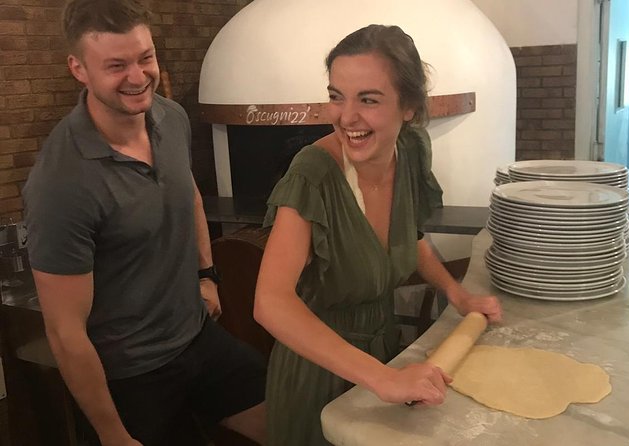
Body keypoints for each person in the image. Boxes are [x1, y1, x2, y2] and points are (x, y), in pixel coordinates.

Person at [22, 1, 266, 445]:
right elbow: (64, 332)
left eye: (145, 58)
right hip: (131, 375)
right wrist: (113, 435)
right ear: (78, 68)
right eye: (116, 65)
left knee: (291, 420)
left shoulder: (169, 118)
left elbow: (186, 189)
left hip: (196, 337)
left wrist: (206, 275)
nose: (137, 77)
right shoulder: (61, 183)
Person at [254, 24, 503, 445]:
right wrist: (382, 379)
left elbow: (408, 236)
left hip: (385, 355)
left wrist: (455, 292)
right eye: (337, 96)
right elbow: (270, 303)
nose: (346, 116)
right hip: (316, 376)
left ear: (408, 107)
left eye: (368, 99)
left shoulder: (410, 151)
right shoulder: (311, 176)